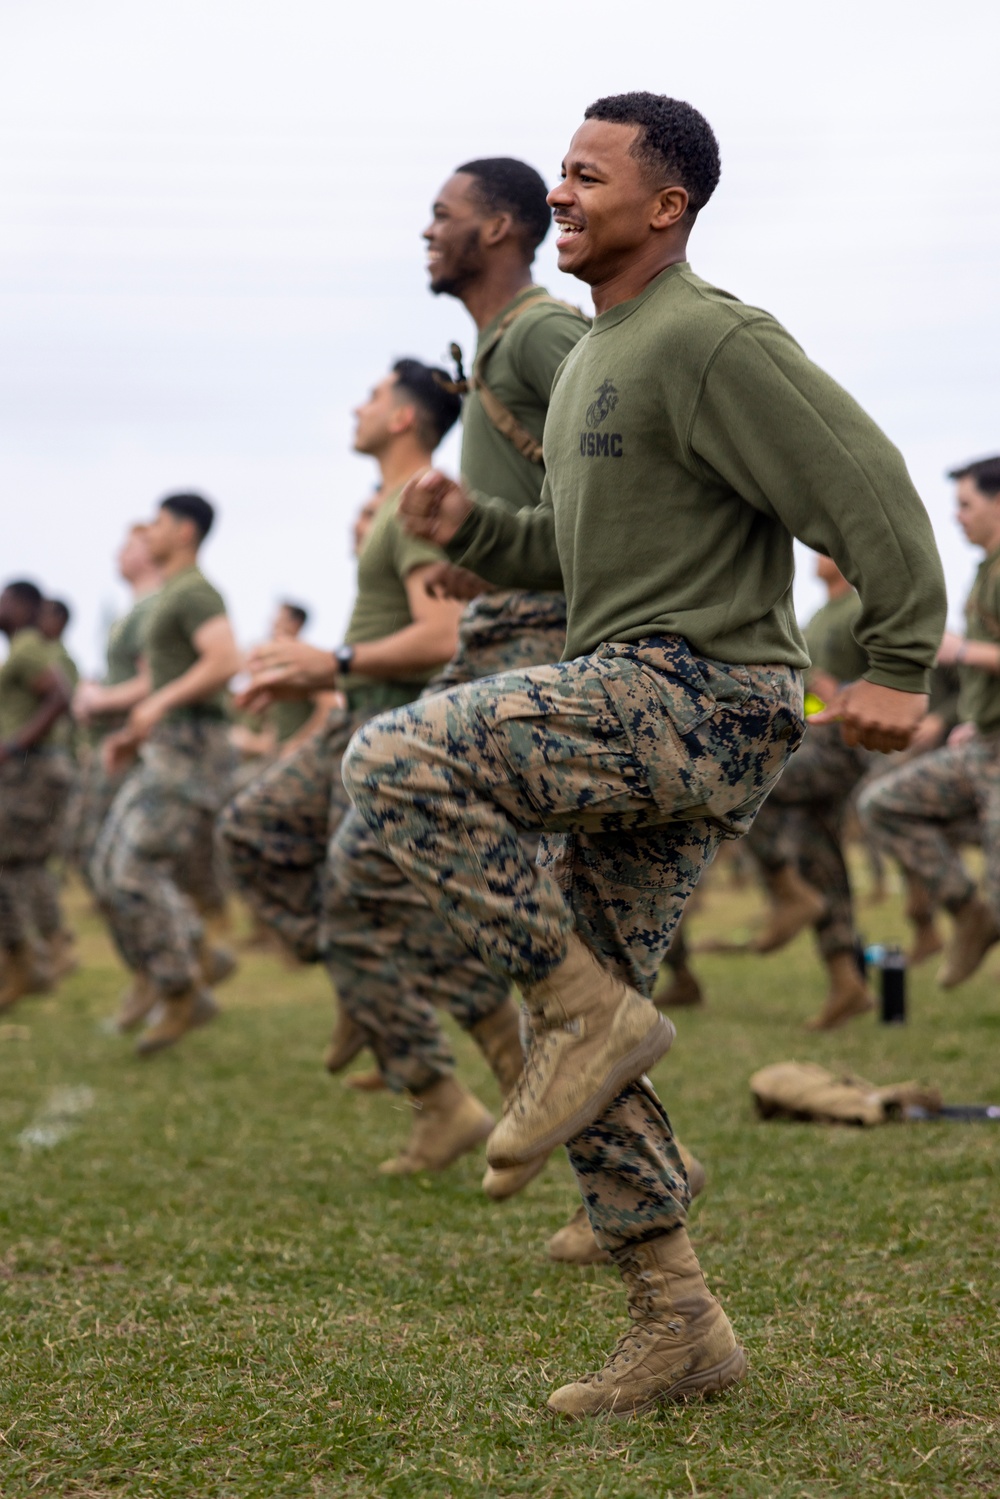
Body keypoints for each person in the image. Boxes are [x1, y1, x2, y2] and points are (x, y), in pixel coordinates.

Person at [342, 92, 945, 1416]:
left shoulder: (709, 335)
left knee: (391, 768)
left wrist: (899, 660)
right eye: (555, 174)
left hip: (702, 687)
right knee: (593, 1037)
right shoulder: (603, 357)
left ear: (665, 205)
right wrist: (473, 529)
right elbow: (568, 541)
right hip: (636, 686)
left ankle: (581, 1001)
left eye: (587, 175)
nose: (561, 194)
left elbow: (870, 482)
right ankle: (680, 1318)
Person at [316, 157, 591, 1187]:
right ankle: (570, 1128)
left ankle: (534, 1099)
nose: (427, 228)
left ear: (501, 226)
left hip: (543, 640)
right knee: (507, 913)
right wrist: (475, 543)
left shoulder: (544, 335)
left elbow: (625, 459)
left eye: (445, 213)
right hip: (505, 627)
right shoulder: (493, 347)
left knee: (396, 869)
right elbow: (548, 510)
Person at [219, 360, 476, 1124]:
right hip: (354, 713)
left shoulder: (418, 503)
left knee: (364, 909)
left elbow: (441, 634)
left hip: (389, 726)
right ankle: (368, 988)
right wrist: (307, 676)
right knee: (254, 835)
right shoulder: (389, 505)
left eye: (371, 396)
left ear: (402, 418)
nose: (359, 407)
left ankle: (426, 1059)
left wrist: (329, 662)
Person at [91, 493, 241, 1053]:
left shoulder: (196, 591)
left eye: (155, 522)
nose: (147, 530)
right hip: (163, 748)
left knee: (132, 871)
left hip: (192, 752)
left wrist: (156, 706)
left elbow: (226, 661)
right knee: (106, 866)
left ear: (182, 530)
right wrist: (135, 732)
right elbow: (167, 680)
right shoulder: (173, 595)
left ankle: (182, 988)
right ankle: (192, 958)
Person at [861, 455, 1000, 988]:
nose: (956, 516)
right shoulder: (985, 571)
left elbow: (981, 653)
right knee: (884, 804)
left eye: (966, 504)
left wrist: (963, 651)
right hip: (982, 746)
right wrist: (973, 718)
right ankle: (969, 914)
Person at [741, 555, 877, 1029]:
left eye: (823, 549)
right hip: (815, 741)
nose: (814, 556)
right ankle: (847, 983)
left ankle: (785, 888)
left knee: (745, 780)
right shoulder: (820, 615)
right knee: (823, 861)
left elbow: (893, 674)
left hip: (842, 748)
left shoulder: (861, 610)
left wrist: (842, 689)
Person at [72, 525, 163, 900]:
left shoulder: (151, 607)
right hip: (114, 740)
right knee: (98, 851)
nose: (118, 555)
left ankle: (186, 940)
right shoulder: (135, 609)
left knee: (117, 856)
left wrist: (100, 700)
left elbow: (153, 681)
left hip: (134, 743)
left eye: (128, 547)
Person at [0, 581, 73, 1010]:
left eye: (5, 599)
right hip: (31, 768)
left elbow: (59, 695)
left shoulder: (27, 645)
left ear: (23, 605)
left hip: (31, 769)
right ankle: (26, 959)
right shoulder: (23, 647)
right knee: (16, 864)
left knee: (13, 863)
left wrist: (15, 745)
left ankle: (33, 957)